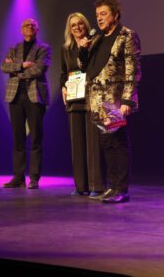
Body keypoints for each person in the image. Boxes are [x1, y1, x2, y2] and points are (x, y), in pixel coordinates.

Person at [78, 0, 141, 204]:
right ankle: (112, 186)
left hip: (114, 100)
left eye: (103, 14)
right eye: (97, 15)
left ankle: (121, 189)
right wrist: (83, 49)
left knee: (118, 142)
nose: (99, 18)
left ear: (115, 15)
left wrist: (127, 100)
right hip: (97, 101)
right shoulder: (96, 39)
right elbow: (85, 67)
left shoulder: (126, 35)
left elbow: (132, 70)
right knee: (106, 143)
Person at [1, 18, 51, 189]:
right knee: (18, 138)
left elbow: (39, 69)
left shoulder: (43, 48)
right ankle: (18, 177)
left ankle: (34, 177)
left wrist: (16, 69)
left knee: (36, 138)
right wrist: (22, 65)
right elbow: (3, 67)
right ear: (21, 30)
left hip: (35, 96)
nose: (29, 27)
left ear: (37, 29)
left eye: (32, 25)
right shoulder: (14, 48)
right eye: (26, 25)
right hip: (15, 96)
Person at [60, 12, 105, 197]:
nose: (77, 27)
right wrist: (63, 86)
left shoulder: (96, 42)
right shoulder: (66, 48)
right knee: (77, 143)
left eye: (80, 24)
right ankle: (81, 186)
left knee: (93, 143)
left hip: (91, 95)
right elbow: (63, 72)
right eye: (73, 25)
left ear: (85, 25)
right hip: (74, 96)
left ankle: (96, 186)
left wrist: (85, 48)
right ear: (69, 30)